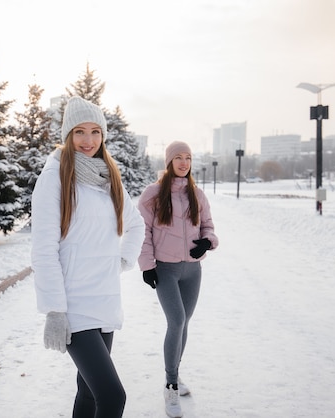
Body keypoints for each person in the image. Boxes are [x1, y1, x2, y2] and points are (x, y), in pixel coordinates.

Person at [31, 96, 145, 418]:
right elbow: (43, 250)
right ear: (68, 135)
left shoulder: (108, 178)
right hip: (74, 307)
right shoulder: (54, 178)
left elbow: (136, 225)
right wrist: (55, 310)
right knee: (113, 397)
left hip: (105, 301)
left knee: (89, 394)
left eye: (96, 132)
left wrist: (122, 260)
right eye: (80, 132)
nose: (88, 141)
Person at [137, 141, 219, 418]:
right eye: (178, 158)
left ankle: (175, 373)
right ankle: (170, 384)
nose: (184, 162)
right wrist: (147, 266)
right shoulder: (153, 194)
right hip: (166, 270)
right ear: (169, 161)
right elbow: (142, 232)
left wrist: (207, 242)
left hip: (192, 271)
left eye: (188, 158)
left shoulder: (197, 194)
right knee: (176, 321)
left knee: (185, 322)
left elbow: (208, 226)